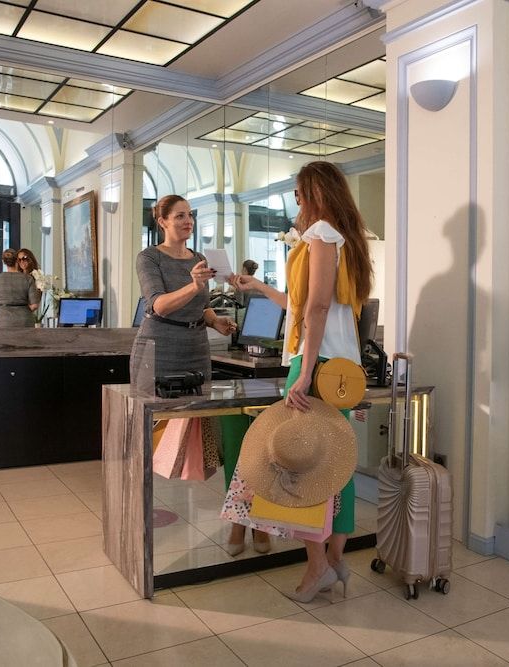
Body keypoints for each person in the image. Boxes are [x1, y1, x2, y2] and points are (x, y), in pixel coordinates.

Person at [231, 161, 373, 602]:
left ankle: (317, 569)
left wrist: (305, 371)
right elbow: (299, 302)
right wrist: (259, 287)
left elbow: (317, 309)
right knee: (336, 462)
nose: (295, 200)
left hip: (316, 363)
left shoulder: (320, 234)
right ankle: (335, 560)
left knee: (301, 466)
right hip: (341, 369)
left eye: (298, 192)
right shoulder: (344, 239)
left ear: (315, 193)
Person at [131, 194, 237, 381]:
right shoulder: (149, 257)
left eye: (190, 215)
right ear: (163, 222)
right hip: (159, 349)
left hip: (197, 349)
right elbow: (159, 306)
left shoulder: (199, 259)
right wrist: (194, 286)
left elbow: (203, 307)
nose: (188, 221)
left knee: (201, 400)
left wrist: (215, 322)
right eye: (180, 216)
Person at [0, 248, 40, 327]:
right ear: (17, 260)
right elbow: (35, 305)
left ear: (3, 261)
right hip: (24, 321)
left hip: (3, 321)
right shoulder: (28, 278)